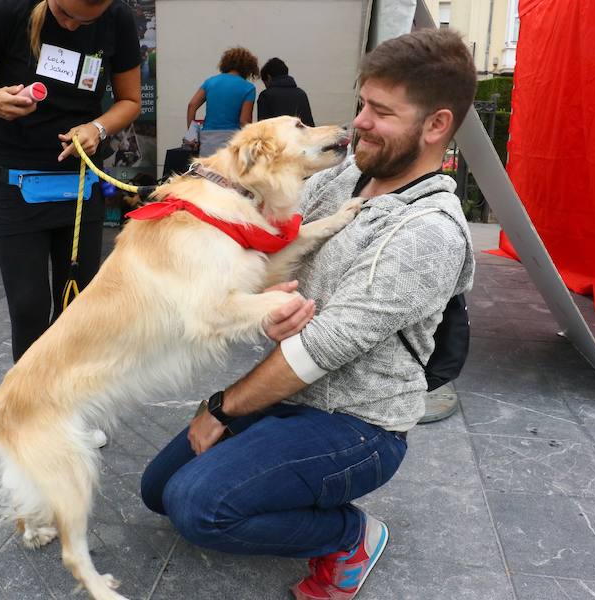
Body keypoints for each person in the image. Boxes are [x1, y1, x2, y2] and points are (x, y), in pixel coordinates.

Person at [141, 28, 477, 600]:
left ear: (436, 125)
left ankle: (350, 536)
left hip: (356, 424)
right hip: (289, 395)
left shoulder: (429, 232)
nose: (360, 122)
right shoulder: (349, 174)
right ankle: (276, 476)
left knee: (198, 507)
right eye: (362, 103)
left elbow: (318, 349)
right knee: (158, 489)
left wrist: (221, 408)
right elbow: (266, 232)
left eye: (382, 111)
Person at [0, 0, 141, 365]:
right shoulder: (11, 9)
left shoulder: (117, 18)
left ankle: (67, 405)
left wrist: (97, 127)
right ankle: (28, 412)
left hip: (79, 186)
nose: (73, 27)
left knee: (77, 308)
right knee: (29, 307)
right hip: (16, 184)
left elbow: (129, 99)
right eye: (65, 16)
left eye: (85, 20)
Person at [187, 47, 259, 157]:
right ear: (248, 68)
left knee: (207, 173)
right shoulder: (248, 88)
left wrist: (191, 135)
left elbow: (192, 106)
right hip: (232, 140)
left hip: (208, 140)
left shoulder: (210, 82)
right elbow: (244, 121)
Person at [257, 57, 315, 126]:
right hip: (300, 136)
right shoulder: (301, 94)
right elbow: (309, 125)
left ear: (269, 77)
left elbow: (263, 128)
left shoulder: (266, 96)